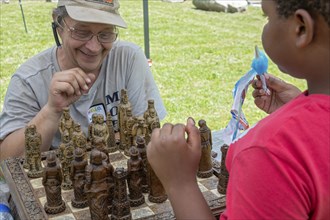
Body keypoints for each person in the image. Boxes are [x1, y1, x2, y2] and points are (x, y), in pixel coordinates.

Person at [147, 0, 329, 219]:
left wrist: (179, 183)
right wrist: (299, 108)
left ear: (300, 28)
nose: (266, 25)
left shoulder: (271, 152)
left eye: (267, 17)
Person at [0, 0, 166, 160]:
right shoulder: (29, 79)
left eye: (105, 33)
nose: (94, 47)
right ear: (59, 26)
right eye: (81, 31)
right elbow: (7, 162)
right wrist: (52, 111)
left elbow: (148, 133)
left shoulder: (128, 59)